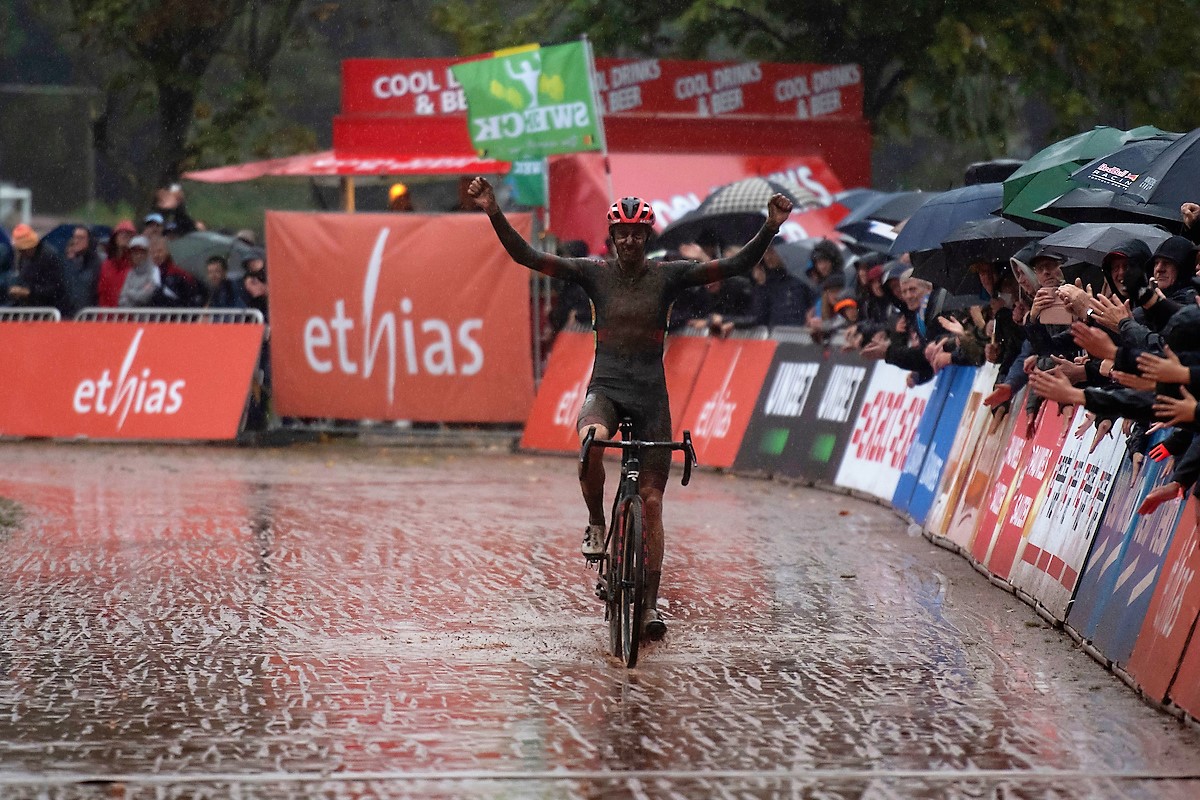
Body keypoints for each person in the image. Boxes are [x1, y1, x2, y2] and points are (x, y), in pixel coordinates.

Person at [467, 175, 793, 641]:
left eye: (638, 235)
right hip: (607, 390)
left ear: (647, 237)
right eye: (622, 234)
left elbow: (736, 264)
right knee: (593, 440)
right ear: (613, 236)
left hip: (651, 400)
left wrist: (771, 227)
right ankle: (598, 523)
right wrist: (493, 210)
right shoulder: (593, 273)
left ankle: (648, 606)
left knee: (654, 505)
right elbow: (527, 257)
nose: (630, 241)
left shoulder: (668, 275)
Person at [8, 224, 72, 315]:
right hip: (31, 310)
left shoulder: (49, 256)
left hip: (49, 312)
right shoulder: (24, 258)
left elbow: (56, 289)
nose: (21, 252)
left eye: (22, 250)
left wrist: (29, 292)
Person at [63, 225, 101, 311]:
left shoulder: (97, 264)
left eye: (80, 238)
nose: (76, 241)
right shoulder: (68, 263)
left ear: (89, 240)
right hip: (69, 315)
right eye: (75, 237)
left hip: (89, 314)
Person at [117, 236, 159, 307]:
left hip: (150, 316)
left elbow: (146, 296)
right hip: (132, 317)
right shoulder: (130, 273)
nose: (138, 256)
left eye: (141, 252)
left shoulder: (154, 271)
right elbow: (122, 300)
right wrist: (135, 295)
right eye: (135, 253)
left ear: (147, 254)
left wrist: (129, 292)